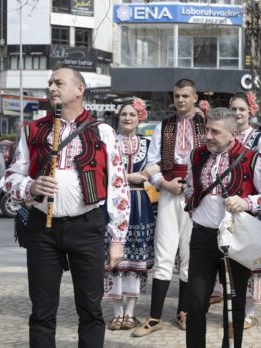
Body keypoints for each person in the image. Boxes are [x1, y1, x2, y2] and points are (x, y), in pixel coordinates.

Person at [4, 67, 130, 347]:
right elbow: (11, 177)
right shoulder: (33, 129)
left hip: (87, 227)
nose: (51, 88)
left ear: (79, 89)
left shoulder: (103, 131)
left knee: (90, 309)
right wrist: (31, 187)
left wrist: (118, 239)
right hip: (42, 228)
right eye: (49, 83)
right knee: (42, 310)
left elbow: (119, 188)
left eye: (58, 82)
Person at [184, 107, 261, 348]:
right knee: (195, 304)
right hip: (202, 238)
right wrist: (195, 211)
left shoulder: (252, 158)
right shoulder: (197, 156)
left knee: (235, 307)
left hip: (236, 240)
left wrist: (247, 202)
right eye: (206, 129)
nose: (207, 136)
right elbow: (189, 187)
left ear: (232, 133)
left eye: (215, 131)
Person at [134, 79, 206, 337]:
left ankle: (183, 312)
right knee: (163, 254)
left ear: (195, 97)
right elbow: (152, 164)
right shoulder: (163, 126)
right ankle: (154, 317)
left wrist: (195, 185)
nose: (180, 100)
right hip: (168, 194)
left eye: (185, 95)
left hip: (197, 198)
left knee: (189, 257)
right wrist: (164, 183)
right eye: (177, 96)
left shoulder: (206, 125)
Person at [228, 91, 261, 330]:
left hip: (253, 207)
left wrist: (251, 199)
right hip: (230, 209)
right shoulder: (227, 136)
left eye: (241, 109)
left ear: (251, 111)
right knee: (231, 260)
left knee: (251, 261)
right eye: (234, 109)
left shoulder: (260, 138)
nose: (237, 113)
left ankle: (248, 312)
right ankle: (234, 307)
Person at [104, 99, 156, 331]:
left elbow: (160, 165)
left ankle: (130, 312)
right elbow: (102, 173)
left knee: (137, 258)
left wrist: (151, 172)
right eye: (124, 114)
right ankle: (116, 312)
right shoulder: (109, 143)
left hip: (139, 203)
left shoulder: (147, 143)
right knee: (113, 259)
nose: (127, 118)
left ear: (139, 118)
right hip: (114, 202)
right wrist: (128, 178)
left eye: (132, 114)